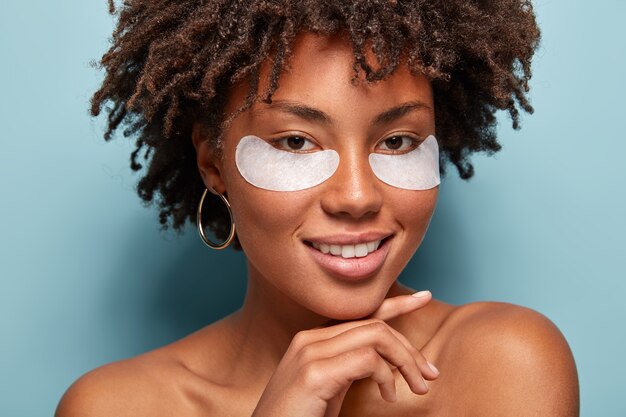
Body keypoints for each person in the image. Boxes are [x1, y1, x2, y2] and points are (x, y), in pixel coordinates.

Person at [56, 0, 579, 416]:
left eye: (396, 141)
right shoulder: (114, 407)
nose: (357, 196)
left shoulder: (507, 364)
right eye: (296, 142)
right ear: (212, 162)